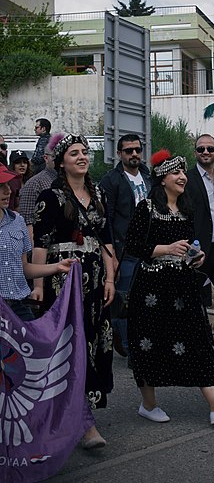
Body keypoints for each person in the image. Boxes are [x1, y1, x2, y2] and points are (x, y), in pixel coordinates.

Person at [124, 149, 214, 425]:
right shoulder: (146, 209)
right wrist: (166, 249)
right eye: (176, 173)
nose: (183, 177)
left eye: (183, 172)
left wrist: (197, 257)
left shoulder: (186, 209)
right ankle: (148, 404)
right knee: (148, 344)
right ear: (162, 179)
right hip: (152, 289)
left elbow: (191, 245)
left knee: (200, 341)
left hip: (183, 286)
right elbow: (133, 247)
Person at [32, 132, 115, 449]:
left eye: (85, 152)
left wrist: (109, 280)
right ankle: (82, 423)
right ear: (61, 162)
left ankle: (78, 415)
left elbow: (107, 242)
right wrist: (38, 286)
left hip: (96, 281)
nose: (82, 157)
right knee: (70, 346)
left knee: (93, 343)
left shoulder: (99, 194)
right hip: (63, 282)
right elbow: (40, 245)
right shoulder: (50, 198)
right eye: (74, 153)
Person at [0, 163, 75, 322]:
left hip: (20, 307)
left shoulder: (17, 221)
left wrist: (57, 267)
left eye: (8, 185)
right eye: (1, 186)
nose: (8, 191)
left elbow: (25, 268)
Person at [100, 133, 151, 358]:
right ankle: (128, 346)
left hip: (150, 249)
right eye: (128, 151)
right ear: (119, 154)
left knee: (148, 300)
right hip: (125, 250)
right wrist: (111, 255)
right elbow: (106, 220)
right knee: (124, 300)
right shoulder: (111, 180)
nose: (134, 154)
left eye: (137, 150)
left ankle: (145, 343)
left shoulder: (149, 176)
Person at [186, 135, 214, 308]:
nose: (205, 152)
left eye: (210, 149)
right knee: (197, 304)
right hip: (198, 251)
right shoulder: (186, 180)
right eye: (200, 149)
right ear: (195, 153)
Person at [19, 145, 57, 241]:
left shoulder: (70, 181)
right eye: (55, 156)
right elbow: (27, 221)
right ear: (46, 158)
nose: (60, 159)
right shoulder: (34, 184)